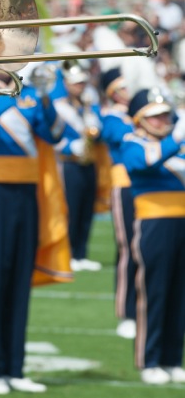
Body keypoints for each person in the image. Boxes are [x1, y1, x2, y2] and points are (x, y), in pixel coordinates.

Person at [0, 63, 66, 395]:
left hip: (27, 195)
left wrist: (45, 96)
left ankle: (15, 368)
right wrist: (16, 92)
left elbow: (55, 135)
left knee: (20, 281)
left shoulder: (30, 95)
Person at [121, 88, 185, 385]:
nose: (163, 120)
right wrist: (177, 137)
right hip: (154, 224)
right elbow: (143, 163)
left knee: (179, 295)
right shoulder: (132, 142)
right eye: (155, 116)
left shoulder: (176, 144)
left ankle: (173, 359)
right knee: (155, 292)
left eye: (165, 115)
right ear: (139, 119)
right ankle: (150, 359)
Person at [52, 60, 103, 272]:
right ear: (66, 84)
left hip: (89, 162)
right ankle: (69, 253)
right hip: (69, 164)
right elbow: (52, 137)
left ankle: (81, 253)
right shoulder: (59, 107)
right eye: (76, 83)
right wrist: (69, 147)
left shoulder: (88, 105)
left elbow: (99, 129)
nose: (80, 86)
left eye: (82, 83)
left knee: (86, 209)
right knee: (71, 209)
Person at [99, 67, 136, 340]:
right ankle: (127, 311)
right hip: (124, 185)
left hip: (154, 188)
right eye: (123, 87)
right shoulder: (113, 117)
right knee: (129, 249)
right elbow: (122, 139)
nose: (129, 91)